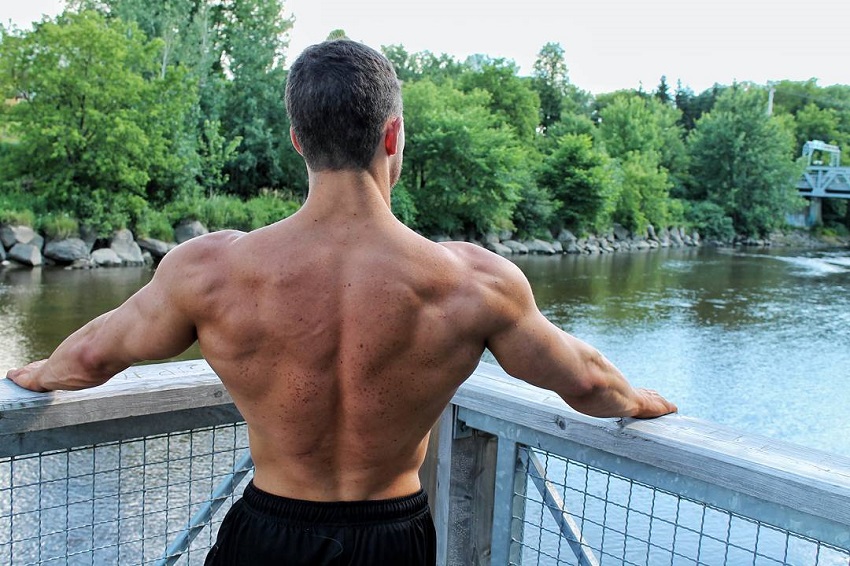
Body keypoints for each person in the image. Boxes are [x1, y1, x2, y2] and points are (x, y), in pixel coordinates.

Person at [5, 39, 676, 565]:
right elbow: (586, 382)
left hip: (271, 530)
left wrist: (30, 376)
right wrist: (636, 400)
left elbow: (90, 358)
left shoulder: (210, 270)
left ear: (298, 138)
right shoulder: (473, 282)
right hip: (393, 535)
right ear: (392, 136)